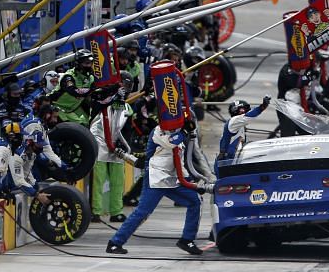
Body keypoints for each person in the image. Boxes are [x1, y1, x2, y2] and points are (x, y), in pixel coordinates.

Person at [106, 124, 205, 256]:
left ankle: (187, 240)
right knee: (143, 212)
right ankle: (114, 243)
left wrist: (190, 182)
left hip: (173, 178)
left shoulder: (180, 134)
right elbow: (169, 143)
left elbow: (180, 162)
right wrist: (184, 132)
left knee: (195, 201)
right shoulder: (159, 130)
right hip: (156, 178)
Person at [90, 73, 133, 223]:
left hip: (116, 144)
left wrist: (124, 144)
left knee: (118, 180)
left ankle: (116, 211)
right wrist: (113, 96)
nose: (124, 89)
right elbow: (97, 102)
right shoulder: (103, 100)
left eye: (126, 87)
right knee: (98, 179)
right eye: (121, 85)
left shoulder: (128, 108)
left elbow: (128, 129)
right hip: (99, 141)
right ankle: (95, 211)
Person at [218, 97, 272, 163]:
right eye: (245, 109)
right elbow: (249, 116)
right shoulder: (234, 121)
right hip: (226, 162)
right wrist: (262, 107)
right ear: (238, 110)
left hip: (229, 161)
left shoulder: (237, 123)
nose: (247, 111)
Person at [50, 49, 96, 125]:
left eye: (90, 63)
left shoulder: (91, 77)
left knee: (88, 124)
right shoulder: (69, 76)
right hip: (56, 107)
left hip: (72, 108)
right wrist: (91, 90)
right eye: (86, 63)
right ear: (78, 63)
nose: (89, 66)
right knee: (75, 129)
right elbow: (73, 91)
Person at [276, 63, 314, 136]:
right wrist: (306, 78)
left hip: (301, 109)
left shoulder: (308, 69)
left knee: (309, 134)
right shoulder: (287, 70)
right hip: (287, 108)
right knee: (288, 138)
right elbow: (294, 83)